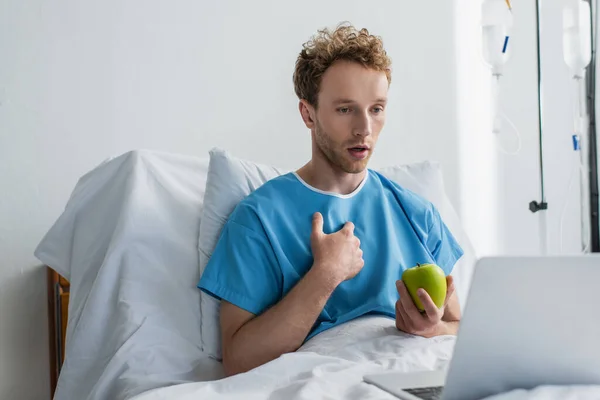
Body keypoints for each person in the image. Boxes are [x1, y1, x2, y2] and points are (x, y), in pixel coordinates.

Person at [198, 22, 464, 377]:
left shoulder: (417, 213)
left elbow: (458, 327)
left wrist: (430, 329)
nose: (364, 129)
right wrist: (325, 275)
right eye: (345, 110)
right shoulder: (259, 219)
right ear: (308, 113)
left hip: (419, 378)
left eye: (376, 109)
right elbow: (238, 360)